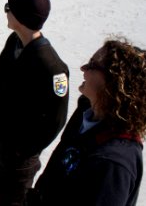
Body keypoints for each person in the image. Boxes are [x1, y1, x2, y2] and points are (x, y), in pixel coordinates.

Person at [0, 0, 69, 206]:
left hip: (16, 156)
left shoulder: (52, 67)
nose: (5, 12)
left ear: (21, 16)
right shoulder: (15, 41)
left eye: (8, 7)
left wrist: (22, 151)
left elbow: (56, 121)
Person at [29, 39, 146, 206]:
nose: (83, 69)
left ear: (113, 83)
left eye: (93, 65)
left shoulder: (113, 164)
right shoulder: (87, 112)